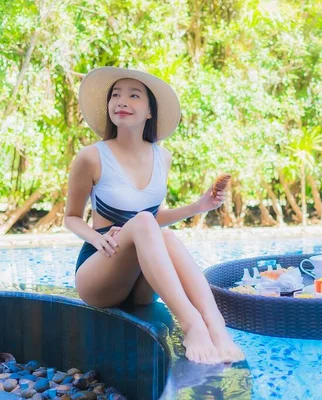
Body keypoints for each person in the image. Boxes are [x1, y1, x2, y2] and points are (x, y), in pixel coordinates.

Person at [64, 67, 244, 364]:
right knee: (147, 224)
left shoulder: (163, 157)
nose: (121, 101)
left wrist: (199, 206)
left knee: (166, 236)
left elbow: (154, 217)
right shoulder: (91, 157)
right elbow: (70, 217)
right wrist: (96, 239)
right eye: (116, 95)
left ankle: (217, 327)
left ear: (150, 111)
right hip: (99, 274)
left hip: (141, 285)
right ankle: (193, 325)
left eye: (133, 95)